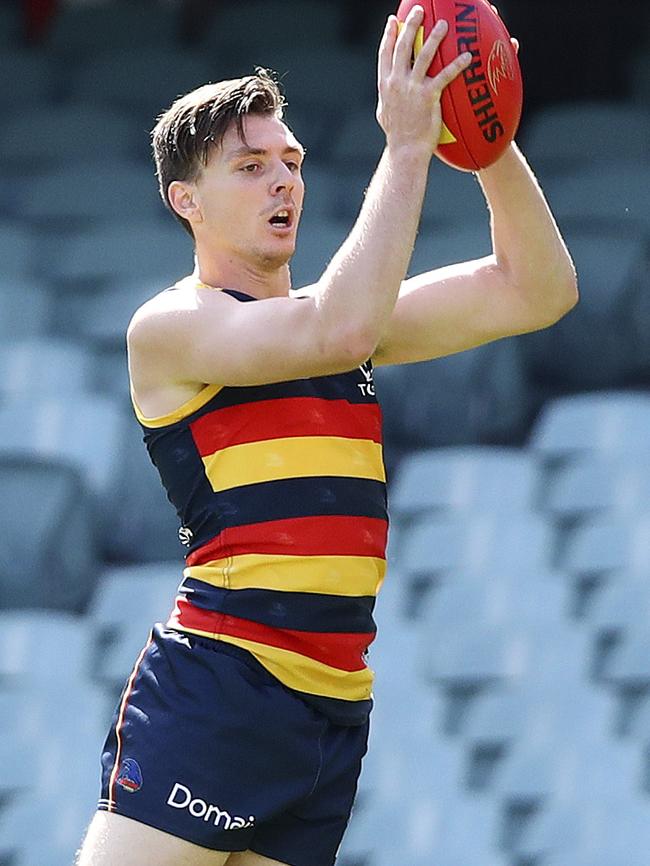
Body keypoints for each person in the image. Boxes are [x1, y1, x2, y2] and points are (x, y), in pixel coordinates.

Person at [76, 6, 577, 865]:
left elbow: (538, 288)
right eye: (251, 166)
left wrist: (484, 134)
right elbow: (337, 333)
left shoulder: (344, 321)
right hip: (222, 681)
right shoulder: (170, 325)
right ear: (184, 201)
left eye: (292, 162)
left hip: (332, 708)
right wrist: (410, 145)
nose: (285, 182)